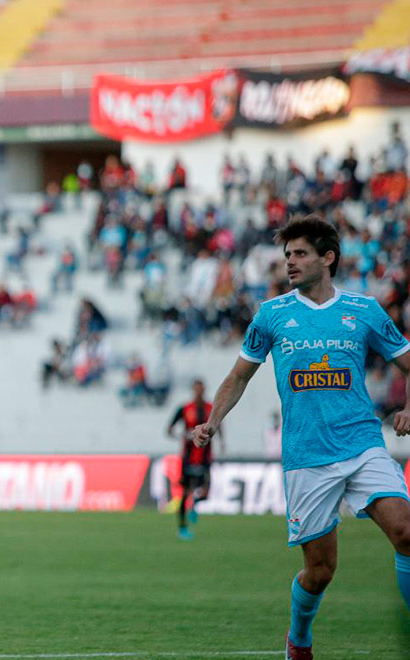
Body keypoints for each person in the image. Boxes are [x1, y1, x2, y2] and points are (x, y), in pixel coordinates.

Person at [192, 214, 410, 660]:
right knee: (320, 571)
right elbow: (237, 378)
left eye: (300, 254)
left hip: (362, 444)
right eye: (287, 254)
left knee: (407, 532)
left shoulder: (364, 311)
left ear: (327, 258)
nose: (290, 262)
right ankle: (299, 638)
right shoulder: (271, 316)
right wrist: (213, 421)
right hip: (306, 455)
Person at [166, 379, 220, 539]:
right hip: (188, 458)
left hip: (205, 456)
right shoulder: (184, 408)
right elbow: (169, 429)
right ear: (193, 390)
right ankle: (182, 528)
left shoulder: (211, 408)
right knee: (185, 493)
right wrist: (183, 436)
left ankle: (195, 505)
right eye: (196, 389)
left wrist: (222, 441)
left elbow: (219, 426)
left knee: (205, 492)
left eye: (201, 389)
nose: (199, 392)